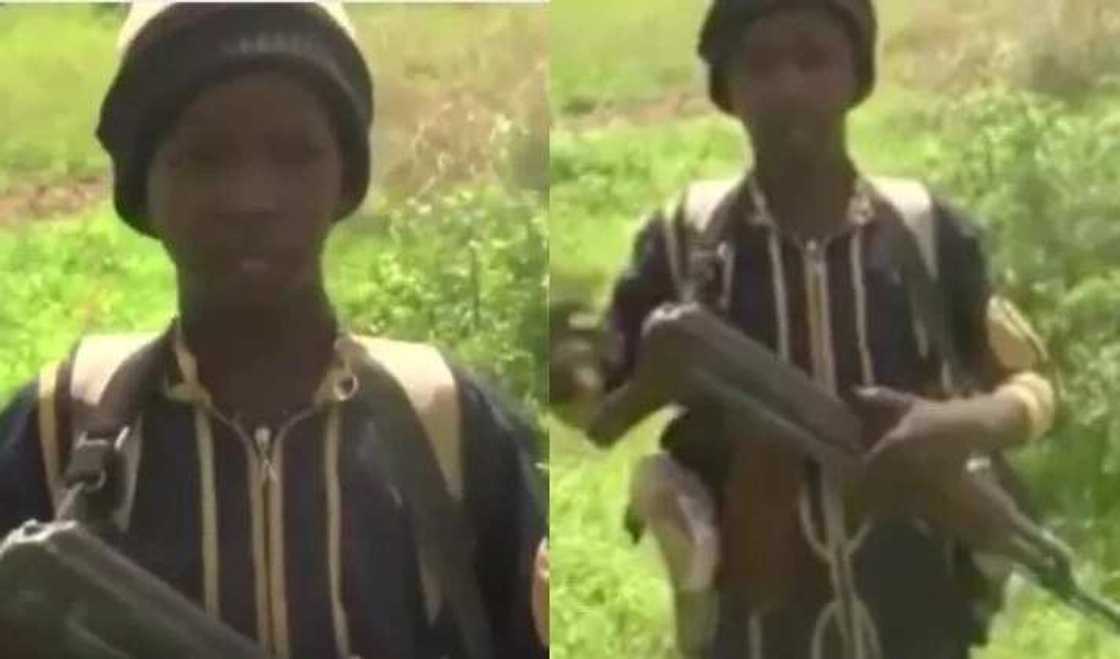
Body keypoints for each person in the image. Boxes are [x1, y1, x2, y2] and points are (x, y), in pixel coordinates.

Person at [0, 4, 547, 658]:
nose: (251, 197)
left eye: (294, 153)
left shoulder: (449, 424)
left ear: (345, 179)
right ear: (142, 189)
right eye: (203, 157)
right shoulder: (59, 429)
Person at [551, 1, 1056, 657]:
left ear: (856, 77)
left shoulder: (926, 232)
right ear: (727, 91)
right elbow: (588, 403)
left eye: (814, 59)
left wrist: (961, 425)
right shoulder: (685, 244)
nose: (789, 85)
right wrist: (649, 380)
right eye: (760, 65)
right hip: (755, 626)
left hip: (918, 619)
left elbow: (1034, 386)